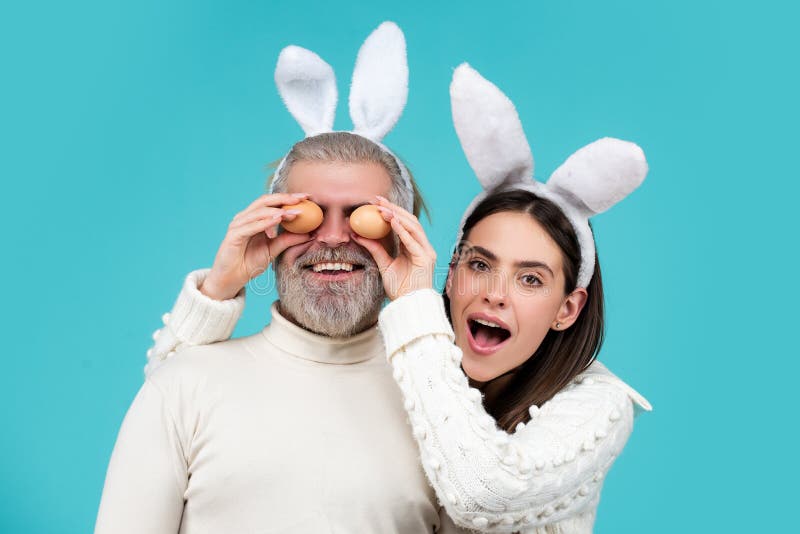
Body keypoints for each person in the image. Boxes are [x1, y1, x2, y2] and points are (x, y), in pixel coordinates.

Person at [143, 64, 653, 533]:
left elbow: (485, 491)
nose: (495, 295)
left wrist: (412, 303)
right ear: (450, 276)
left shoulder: (595, 404)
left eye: (531, 279)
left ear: (569, 307)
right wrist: (219, 289)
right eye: (479, 265)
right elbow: (171, 410)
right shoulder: (429, 375)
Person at [96, 22, 470, 534]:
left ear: (401, 238)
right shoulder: (183, 385)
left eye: (363, 216)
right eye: (308, 214)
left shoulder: (445, 402)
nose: (334, 237)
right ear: (269, 226)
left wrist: (417, 303)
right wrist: (220, 286)